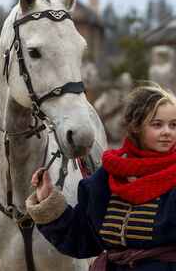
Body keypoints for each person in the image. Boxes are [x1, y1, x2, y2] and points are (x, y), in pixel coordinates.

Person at [26, 84, 176, 271]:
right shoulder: (105, 178)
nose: (167, 132)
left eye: (174, 125)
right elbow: (81, 238)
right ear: (136, 127)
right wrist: (47, 199)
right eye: (157, 124)